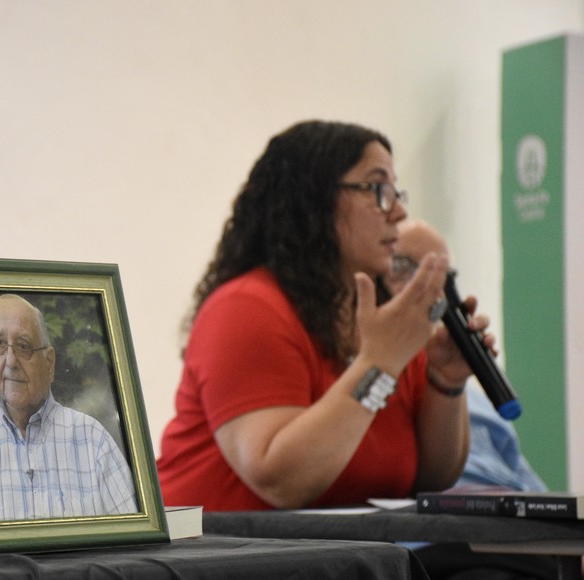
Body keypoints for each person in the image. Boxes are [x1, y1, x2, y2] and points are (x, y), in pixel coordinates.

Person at [155, 119, 487, 511]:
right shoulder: (247, 307)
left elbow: (431, 478)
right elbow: (280, 481)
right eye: (378, 189)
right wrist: (379, 363)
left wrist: (445, 382)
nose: (398, 212)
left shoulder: (382, 318)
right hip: (214, 559)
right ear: (311, 199)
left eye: (397, 192)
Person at [0, 294, 137, 524]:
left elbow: (137, 542)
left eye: (23, 346)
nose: (11, 361)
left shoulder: (93, 441)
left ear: (49, 362)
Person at [385, 219, 547, 493]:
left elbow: (537, 497)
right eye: (402, 267)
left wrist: (451, 381)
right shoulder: (370, 388)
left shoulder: (479, 403)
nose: (423, 284)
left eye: (441, 275)